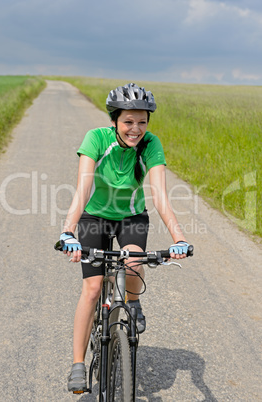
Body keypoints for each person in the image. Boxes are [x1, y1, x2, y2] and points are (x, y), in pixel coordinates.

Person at [59, 83, 190, 393]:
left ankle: (133, 302)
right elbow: (83, 190)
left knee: (133, 262)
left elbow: (160, 196)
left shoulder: (150, 145)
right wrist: (68, 232)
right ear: (115, 120)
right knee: (92, 289)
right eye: (129, 121)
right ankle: (78, 364)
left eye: (142, 122)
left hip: (131, 217)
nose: (136, 129)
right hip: (94, 217)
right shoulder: (96, 139)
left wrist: (178, 238)